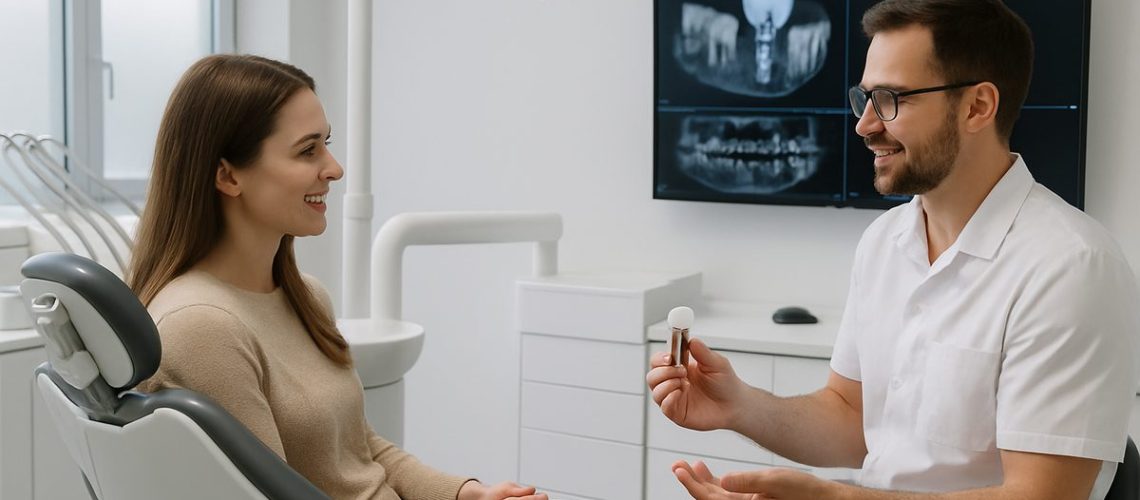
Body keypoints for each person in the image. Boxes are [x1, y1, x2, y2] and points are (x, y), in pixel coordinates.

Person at [647, 1, 1140, 498]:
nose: (864, 124)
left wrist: (840, 498)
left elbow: (1041, 495)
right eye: (864, 98)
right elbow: (853, 418)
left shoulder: (1070, 267)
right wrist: (739, 406)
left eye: (890, 99)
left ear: (977, 107)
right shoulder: (885, 242)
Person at [129, 54, 546, 500]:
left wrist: (466, 494)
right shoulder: (202, 329)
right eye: (308, 150)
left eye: (326, 144)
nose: (334, 168)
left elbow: (359, 452)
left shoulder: (305, 296)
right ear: (227, 175)